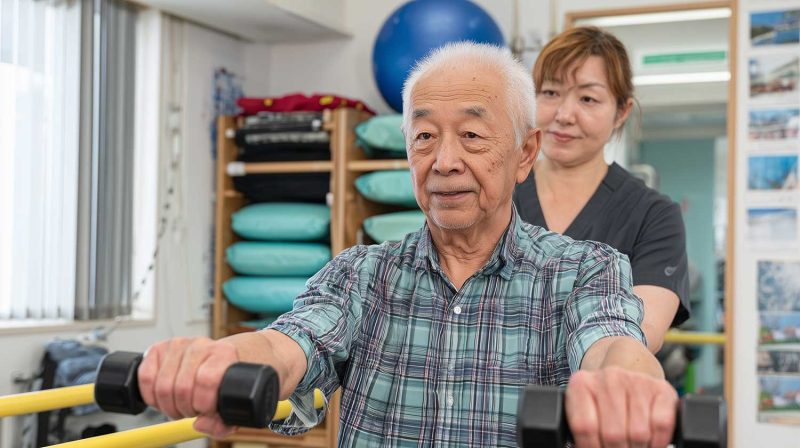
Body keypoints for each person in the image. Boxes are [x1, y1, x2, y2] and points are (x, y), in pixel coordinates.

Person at [138, 42, 678, 447]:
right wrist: (225, 358)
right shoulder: (360, 274)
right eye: (424, 137)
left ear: (524, 154)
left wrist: (625, 382)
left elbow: (610, 341)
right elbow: (290, 344)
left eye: (472, 136)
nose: (444, 161)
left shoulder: (586, 270)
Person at [514, 26, 690, 353]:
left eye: (588, 99)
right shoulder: (497, 194)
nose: (564, 115)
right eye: (550, 92)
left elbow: (642, 332)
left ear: (621, 112)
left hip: (596, 382)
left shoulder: (653, 216)